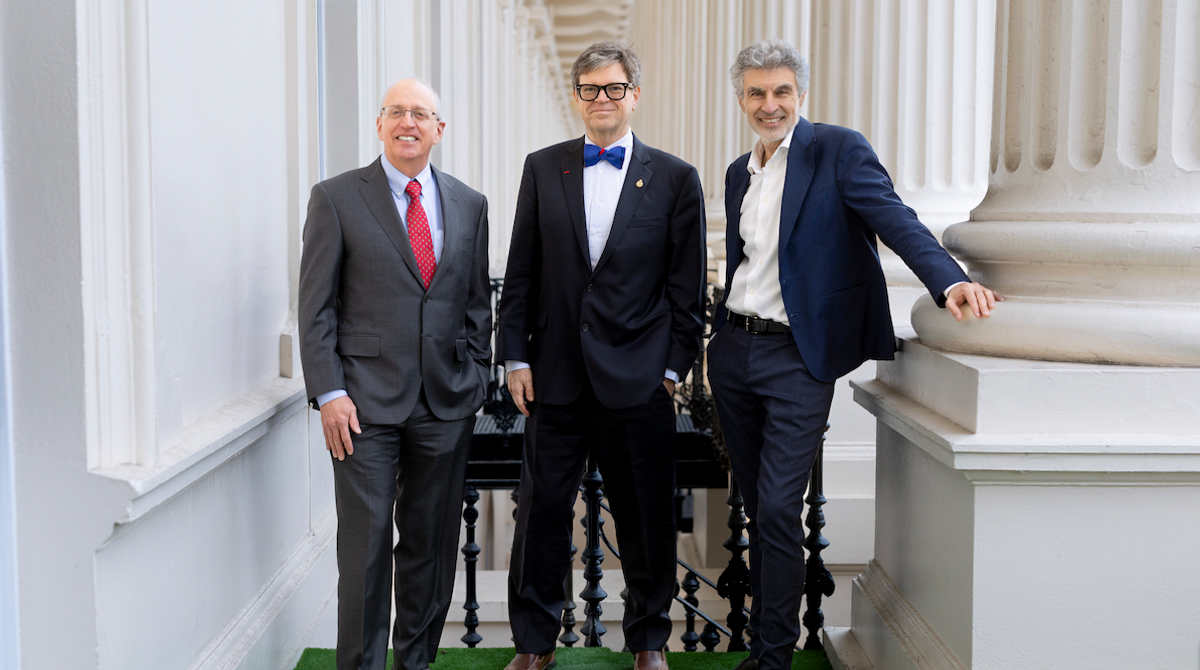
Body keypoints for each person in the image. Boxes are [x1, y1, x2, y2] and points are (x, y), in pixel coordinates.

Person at [707, 40, 1001, 670]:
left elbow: (895, 217)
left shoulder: (836, 150)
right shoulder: (740, 172)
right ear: (741, 100)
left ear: (800, 95)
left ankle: (773, 657)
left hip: (797, 359)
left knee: (780, 508)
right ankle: (764, 645)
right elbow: (750, 262)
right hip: (734, 353)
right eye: (757, 93)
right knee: (757, 506)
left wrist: (948, 280)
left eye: (782, 91)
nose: (770, 104)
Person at [497, 41, 706, 670]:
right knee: (540, 516)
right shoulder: (542, 168)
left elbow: (685, 290)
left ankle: (647, 642)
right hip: (553, 378)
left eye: (613, 88)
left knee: (645, 516)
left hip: (638, 380)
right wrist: (513, 358)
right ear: (577, 96)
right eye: (589, 89)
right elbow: (521, 272)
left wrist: (670, 371)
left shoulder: (676, 178)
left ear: (634, 95)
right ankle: (535, 645)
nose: (601, 100)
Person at [299, 78, 492, 670]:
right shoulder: (335, 198)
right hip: (360, 406)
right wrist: (329, 392)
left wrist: (477, 374)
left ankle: (416, 662)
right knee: (364, 545)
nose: (409, 122)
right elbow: (316, 306)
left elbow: (476, 303)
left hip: (446, 401)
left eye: (422, 114)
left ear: (440, 129)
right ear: (380, 124)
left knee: (431, 545)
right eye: (397, 112)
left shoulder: (469, 203)